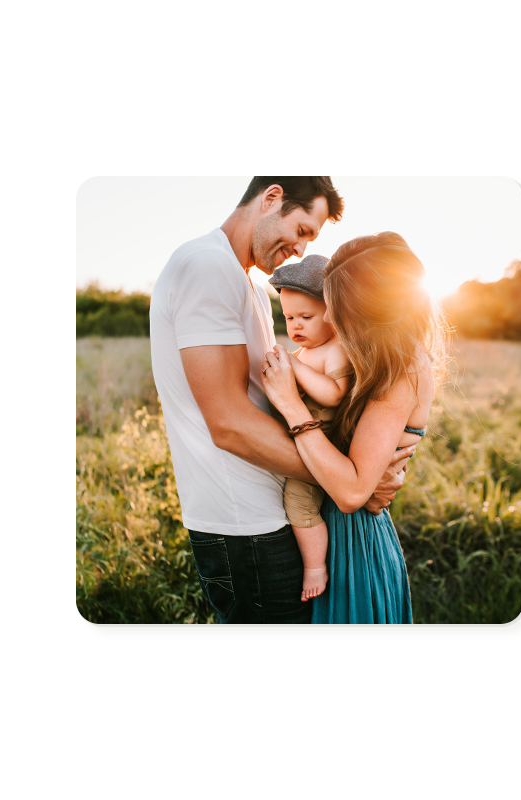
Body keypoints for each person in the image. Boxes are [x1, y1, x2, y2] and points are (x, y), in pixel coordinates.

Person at [149, 178, 415, 624]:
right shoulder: (206, 266)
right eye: (303, 229)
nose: (301, 247)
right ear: (271, 198)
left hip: (273, 515)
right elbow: (229, 423)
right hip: (247, 526)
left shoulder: (248, 285)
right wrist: (351, 482)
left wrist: (356, 474)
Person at [261, 232, 448, 624]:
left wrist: (292, 406)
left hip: (355, 542)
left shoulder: (404, 370)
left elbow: (351, 492)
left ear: (373, 310)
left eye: (338, 306)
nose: (328, 317)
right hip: (334, 528)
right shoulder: (375, 360)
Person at [267, 255, 353, 602]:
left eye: (306, 317)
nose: (296, 326)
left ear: (332, 314)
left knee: (298, 504)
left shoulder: (336, 349)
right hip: (300, 442)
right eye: (289, 318)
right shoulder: (305, 351)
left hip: (322, 450)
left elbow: (334, 395)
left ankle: (315, 566)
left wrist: (294, 367)